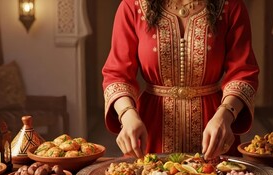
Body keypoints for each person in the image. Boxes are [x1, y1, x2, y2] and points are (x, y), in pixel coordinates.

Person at [102, 0, 259, 160]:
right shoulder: (132, 6)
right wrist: (127, 115)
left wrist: (226, 115)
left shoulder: (230, 6)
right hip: (150, 127)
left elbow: (243, 72)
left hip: (216, 123)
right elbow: (117, 74)